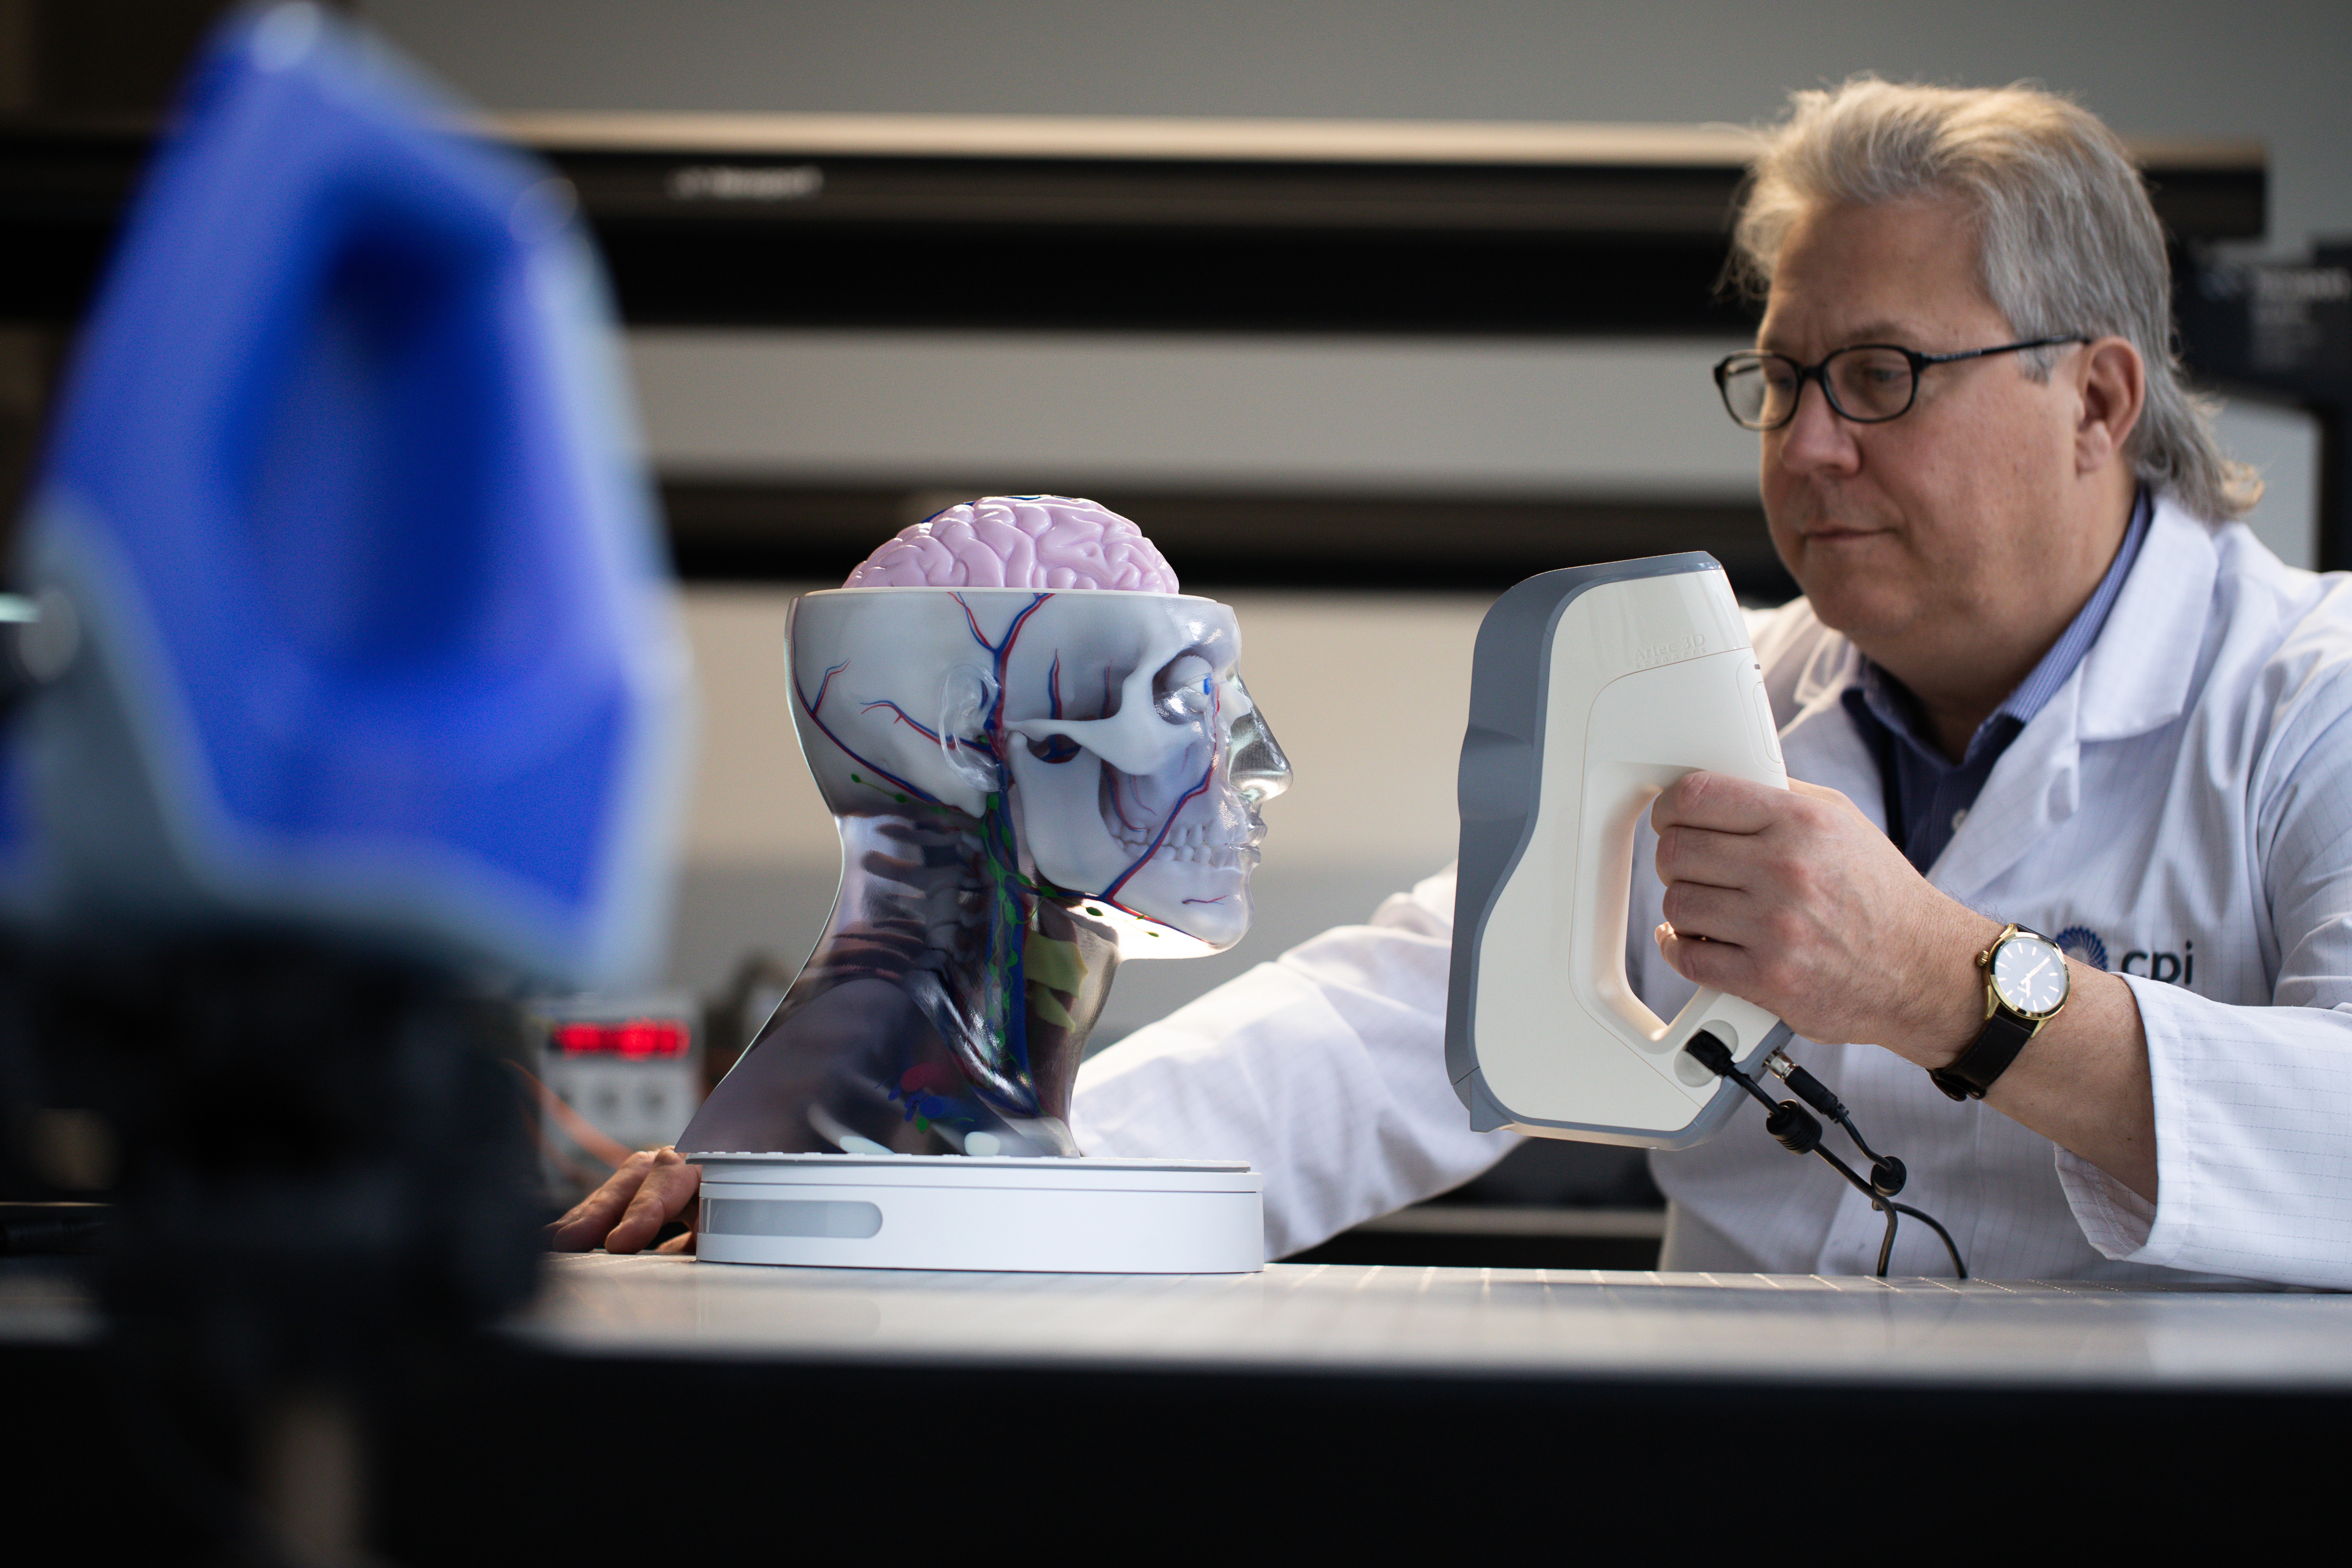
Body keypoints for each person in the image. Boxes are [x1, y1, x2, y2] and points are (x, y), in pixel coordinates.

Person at [565, 78, 2352, 1288]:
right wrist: (905, 1188)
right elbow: (1391, 1025)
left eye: (1877, 378)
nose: (1805, 448)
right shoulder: (1708, 698)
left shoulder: (2310, 699)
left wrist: (1954, 986)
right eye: (1779, 379)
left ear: (2097, 401)